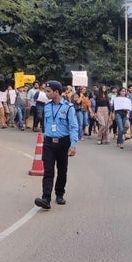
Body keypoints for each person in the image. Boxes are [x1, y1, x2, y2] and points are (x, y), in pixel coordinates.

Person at [34, 80, 79, 210]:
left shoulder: (68, 108)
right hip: (48, 142)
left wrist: (73, 145)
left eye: (48, 91)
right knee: (48, 170)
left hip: (63, 142)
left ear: (56, 92)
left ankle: (59, 194)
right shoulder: (47, 106)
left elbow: (73, 127)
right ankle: (46, 198)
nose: (46, 94)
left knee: (62, 170)